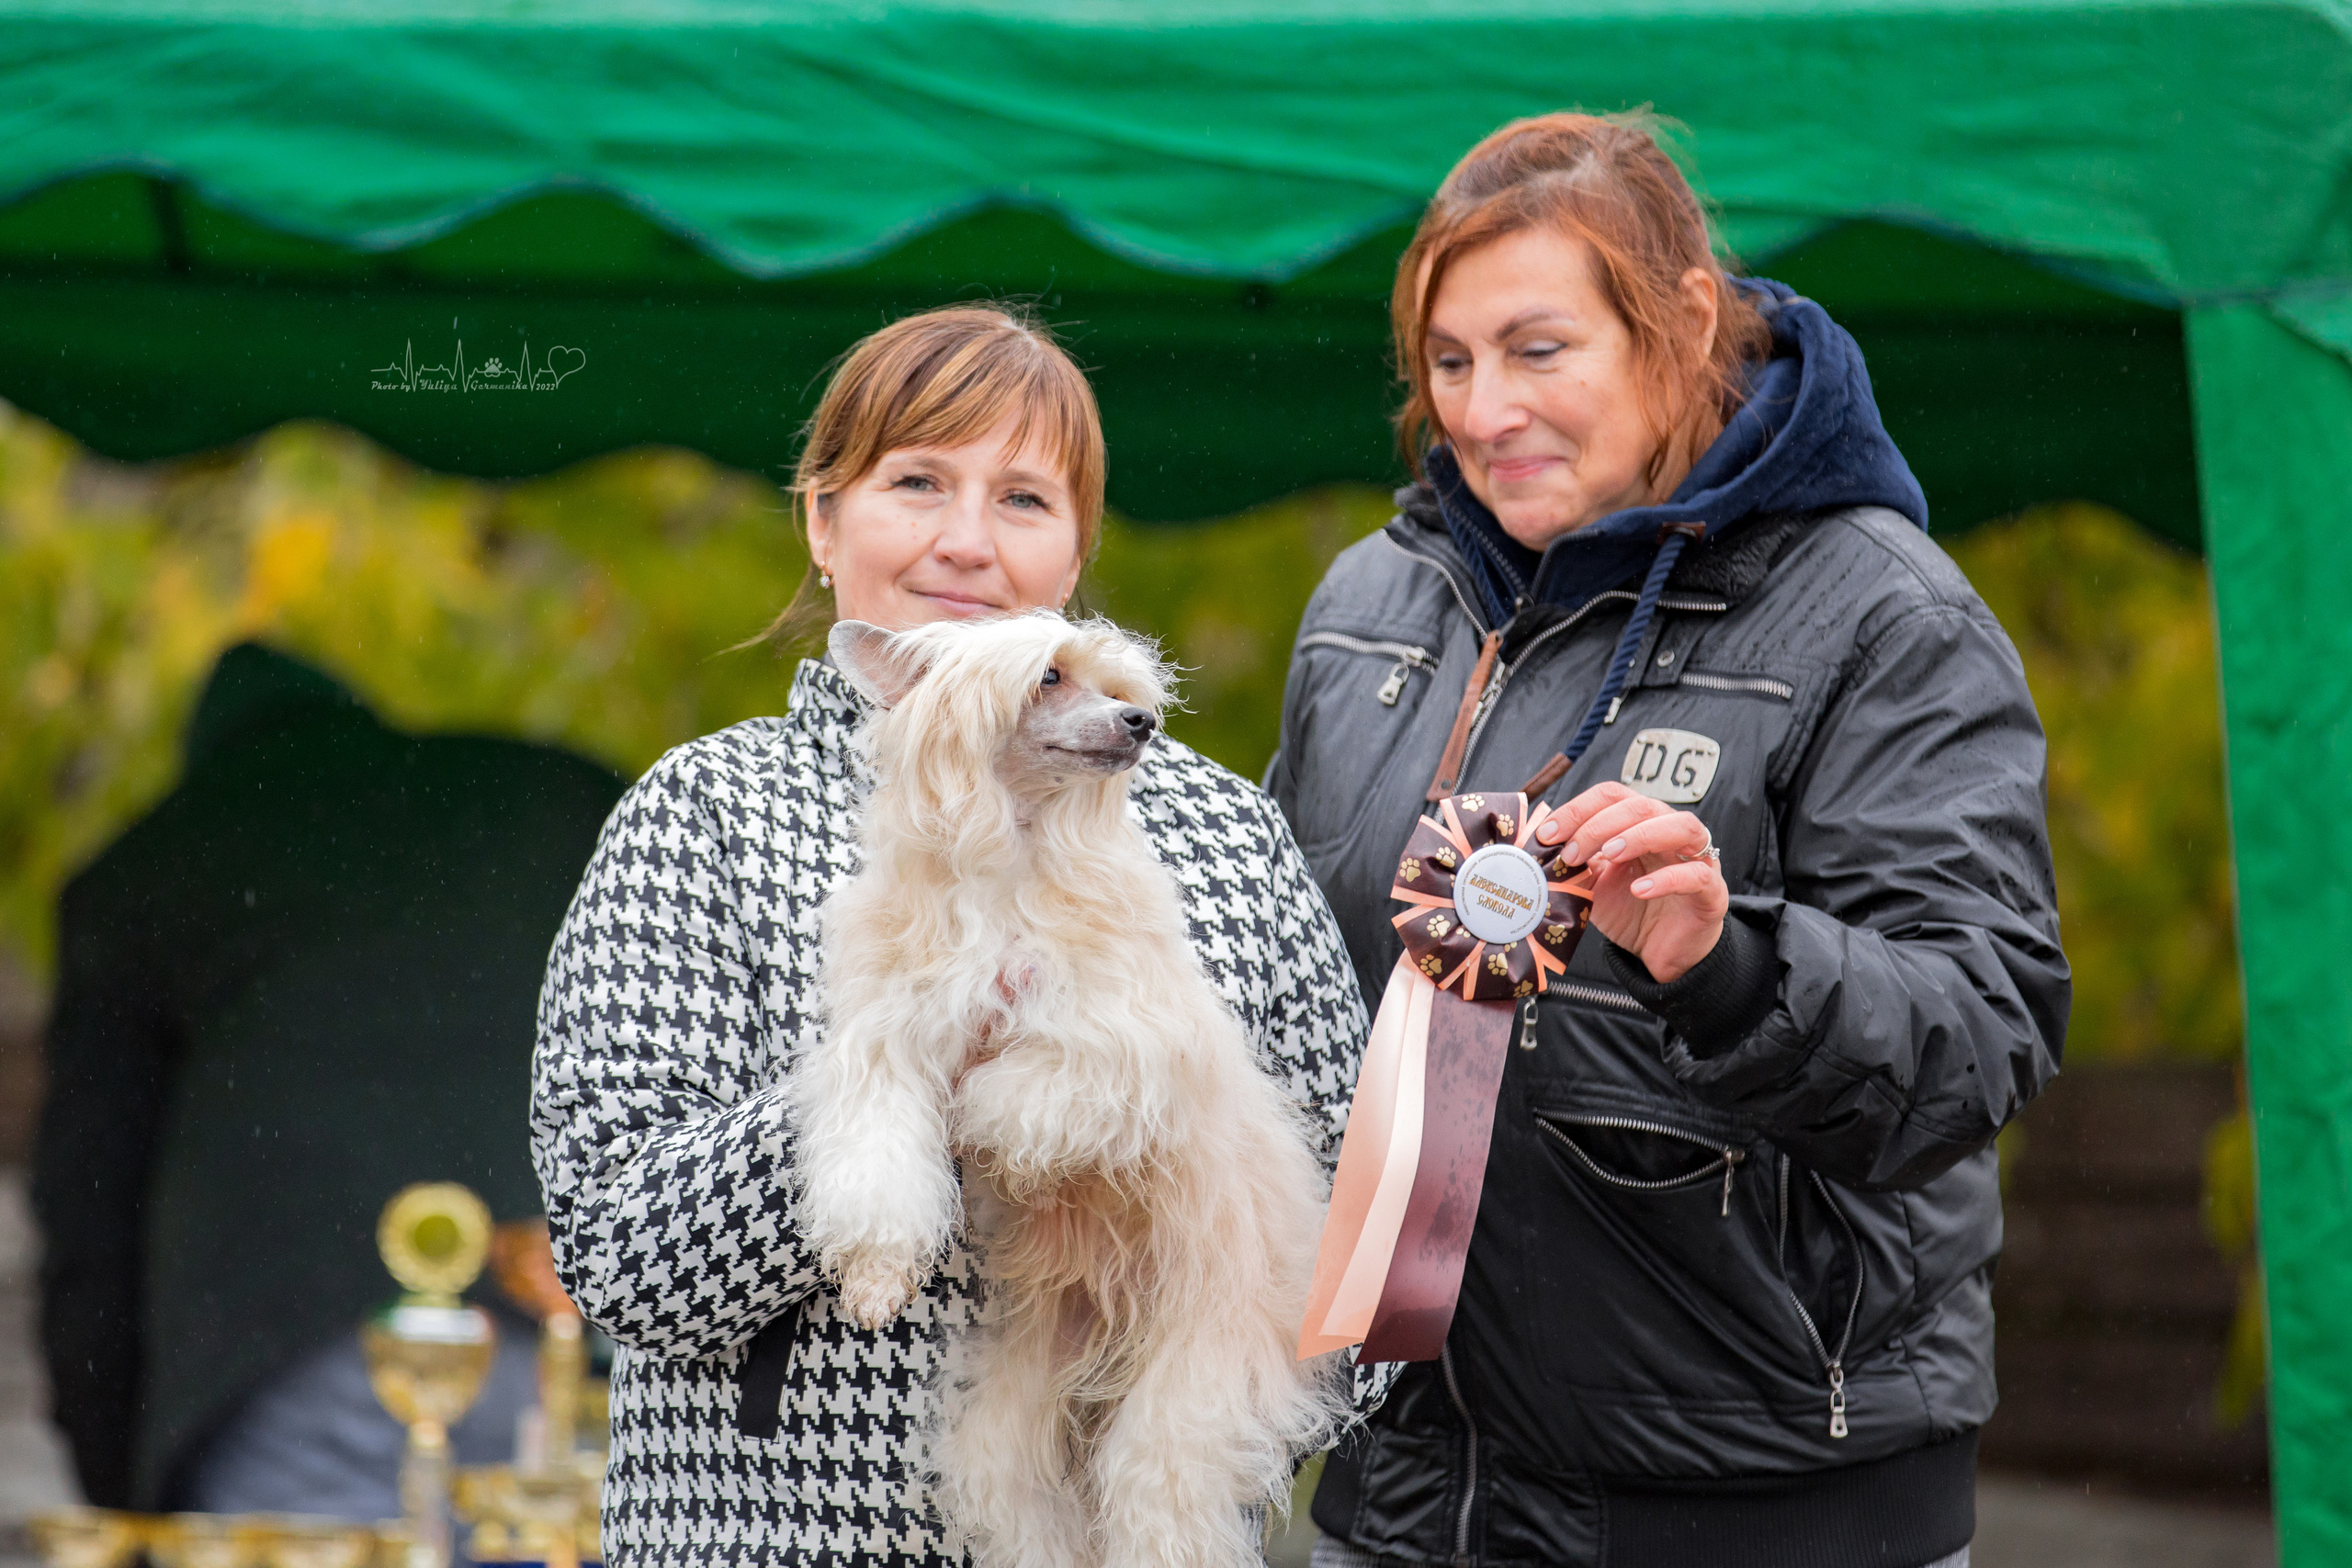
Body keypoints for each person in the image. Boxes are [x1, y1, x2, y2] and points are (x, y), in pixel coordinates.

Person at [1265, 114, 2068, 1568]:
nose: (1485, 407)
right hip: (1397, 1506)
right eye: (1448, 361)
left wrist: (1731, 964)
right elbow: (1277, 982)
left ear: (1684, 320)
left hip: (1768, 1513)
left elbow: (1980, 1033)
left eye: (1538, 348)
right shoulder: (1368, 606)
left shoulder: (1886, 615)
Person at [530, 304, 1369, 1565]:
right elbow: (621, 1251)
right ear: (823, 520)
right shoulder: (702, 814)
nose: (968, 541)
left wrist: (1201, 1405)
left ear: (1078, 548)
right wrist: (899, 1077)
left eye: (1025, 499)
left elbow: (1357, 1267)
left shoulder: (1228, 837)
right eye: (917, 481)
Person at [36, 642, 624, 1517]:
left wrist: (131, 1504)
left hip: (297, 1376)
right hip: (600, 1358)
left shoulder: (164, 859)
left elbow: (94, 1218)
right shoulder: (563, 795)